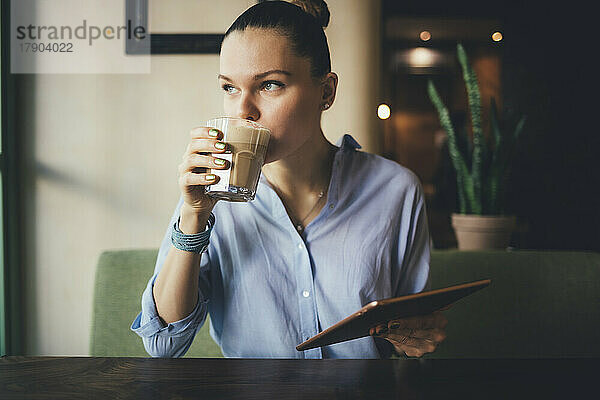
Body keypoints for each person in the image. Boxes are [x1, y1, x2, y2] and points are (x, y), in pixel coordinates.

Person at [131, 0, 447, 359]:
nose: (243, 110)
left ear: (326, 92)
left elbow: (416, 334)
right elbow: (163, 344)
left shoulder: (395, 190)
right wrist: (193, 216)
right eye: (229, 88)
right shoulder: (209, 198)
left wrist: (416, 339)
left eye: (270, 85)